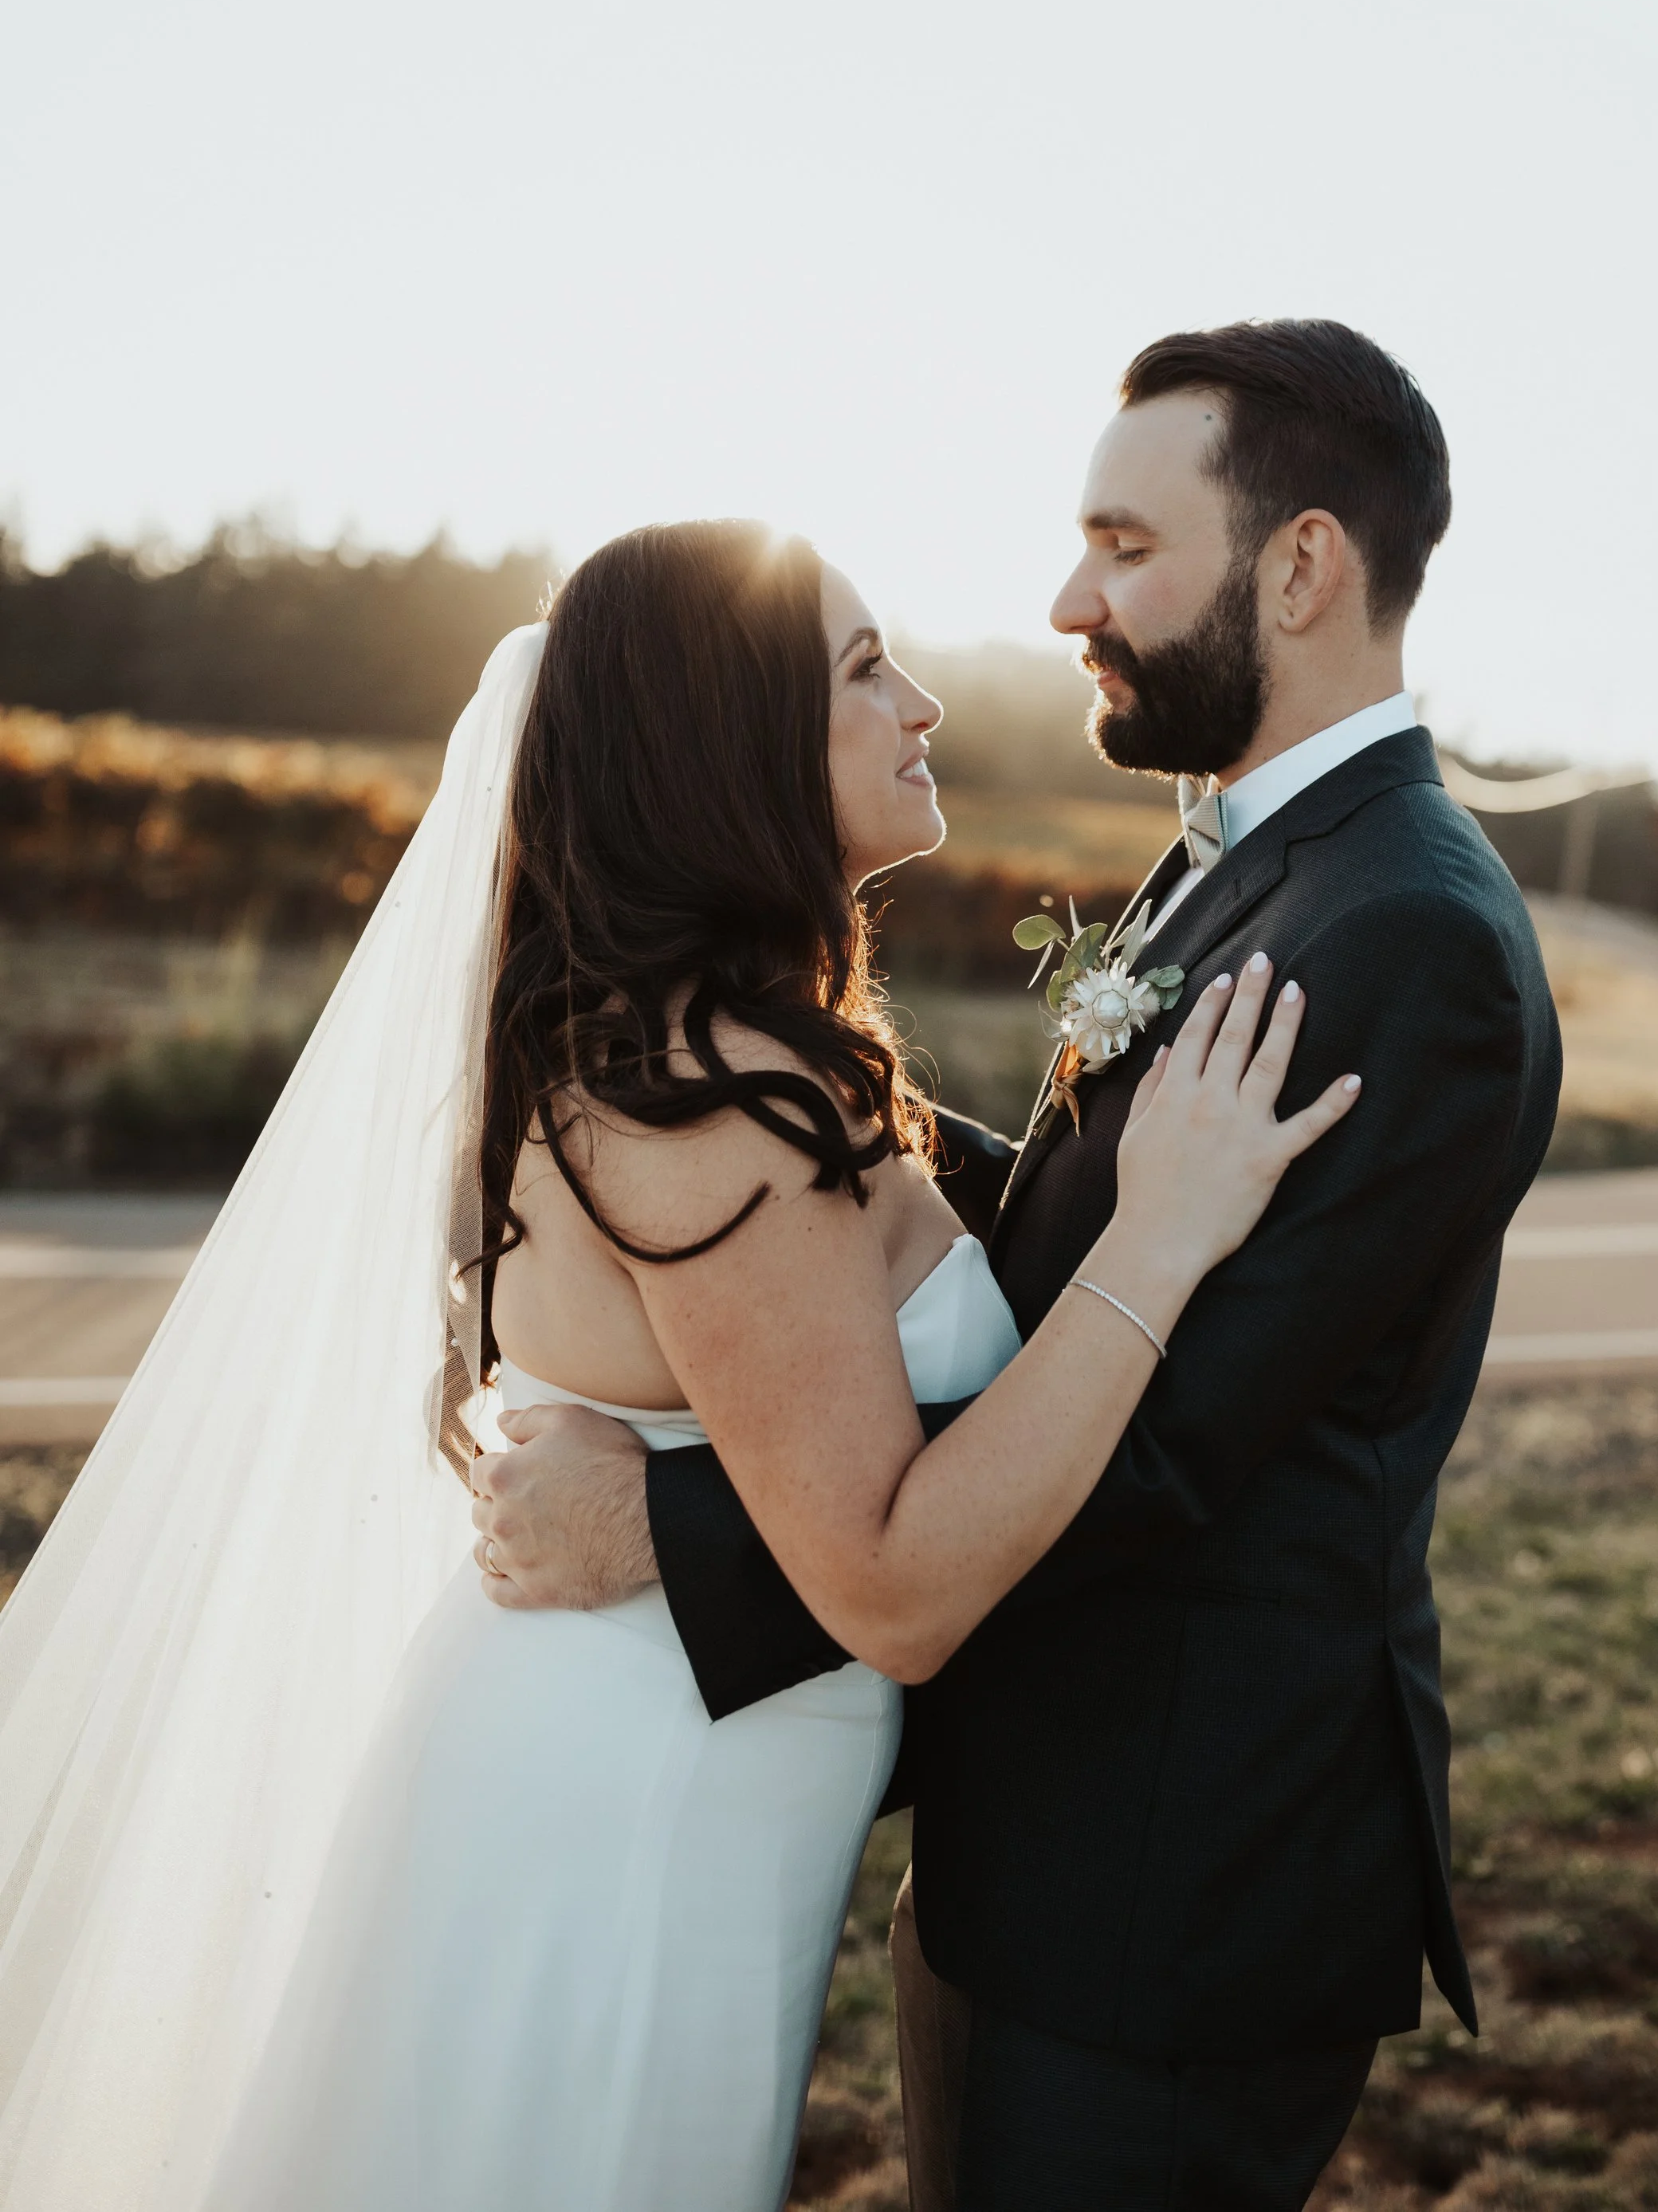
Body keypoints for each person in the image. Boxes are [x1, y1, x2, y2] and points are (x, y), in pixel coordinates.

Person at [0, 518, 1354, 2212]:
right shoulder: (709, 1099)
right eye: (865, 671)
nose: (924, 703)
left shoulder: (697, 1044)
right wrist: (1157, 1242)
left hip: (640, 1780)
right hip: (627, 1832)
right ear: (725, 752)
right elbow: (891, 1586)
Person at [480, 319, 1564, 2212]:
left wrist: (663, 1532)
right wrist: (868, 1146)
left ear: (1298, 567)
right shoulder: (1261, 855)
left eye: (1123, 547)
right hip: (1052, 1839)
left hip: (1173, 1884)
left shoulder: (1410, 937)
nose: (1068, 599)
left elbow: (1162, 1446)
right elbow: (1090, 1228)